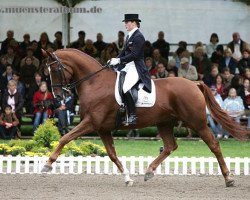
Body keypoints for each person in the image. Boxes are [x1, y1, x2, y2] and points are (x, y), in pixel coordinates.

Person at [109, 14, 152, 125]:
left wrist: (119, 61)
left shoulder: (138, 36)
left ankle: (133, 115)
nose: (125, 24)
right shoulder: (129, 36)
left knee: (126, 87)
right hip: (127, 66)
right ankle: (122, 108)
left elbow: (135, 55)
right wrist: (114, 60)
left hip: (136, 67)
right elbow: (124, 52)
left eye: (127, 22)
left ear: (134, 23)